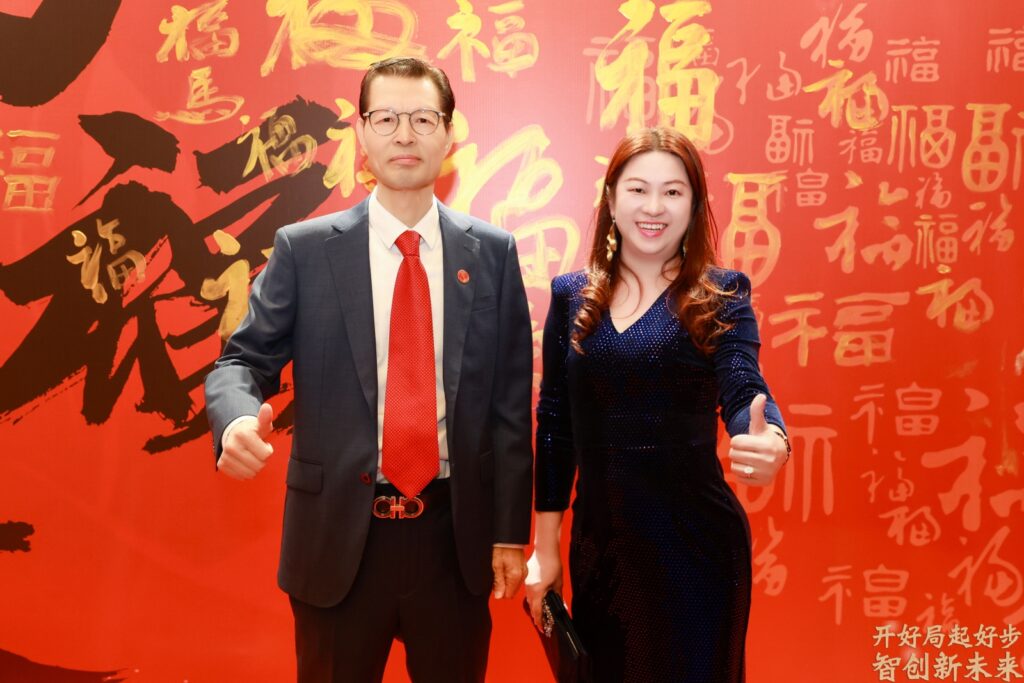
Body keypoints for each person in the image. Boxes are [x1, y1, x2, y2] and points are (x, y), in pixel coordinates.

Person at [205, 57, 534, 683]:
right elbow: (241, 361)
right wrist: (236, 419)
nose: (404, 135)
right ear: (361, 132)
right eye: (386, 119)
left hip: (453, 539)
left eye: (422, 119)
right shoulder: (305, 249)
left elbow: (510, 407)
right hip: (337, 540)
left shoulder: (492, 252)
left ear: (449, 132)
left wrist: (508, 533)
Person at [525, 127, 790, 682]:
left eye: (672, 192)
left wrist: (770, 438)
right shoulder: (571, 295)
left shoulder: (721, 294)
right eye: (638, 189)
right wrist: (545, 548)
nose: (653, 207)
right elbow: (555, 426)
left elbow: (744, 386)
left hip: (698, 549)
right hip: (601, 550)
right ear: (611, 198)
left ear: (694, 205)